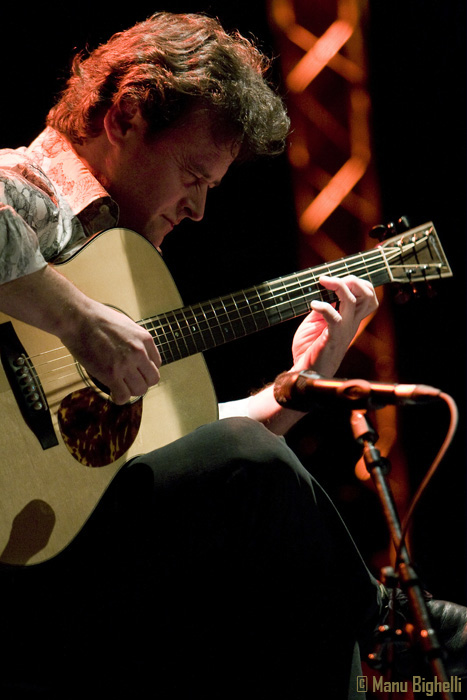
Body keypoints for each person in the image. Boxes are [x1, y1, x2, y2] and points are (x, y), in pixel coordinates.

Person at [0, 12, 464, 699]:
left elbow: (173, 449)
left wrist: (293, 387)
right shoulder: (22, 186)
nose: (197, 211)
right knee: (249, 465)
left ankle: (394, 663)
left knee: (252, 503)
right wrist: (77, 319)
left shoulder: (121, 264)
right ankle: (402, 632)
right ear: (125, 116)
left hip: (68, 562)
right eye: (193, 176)